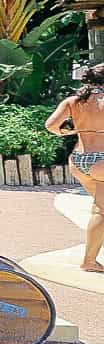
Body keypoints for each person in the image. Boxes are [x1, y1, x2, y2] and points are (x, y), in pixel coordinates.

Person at [46, 62, 104, 273]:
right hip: (102, 162)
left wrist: (71, 132)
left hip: (79, 160)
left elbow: (51, 126)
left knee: (100, 205)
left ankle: (94, 251)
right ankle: (89, 261)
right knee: (101, 210)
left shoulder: (73, 101)